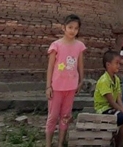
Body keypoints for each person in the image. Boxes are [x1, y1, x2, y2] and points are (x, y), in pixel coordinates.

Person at [45, 14, 87, 147]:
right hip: (56, 87)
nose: (72, 30)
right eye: (70, 27)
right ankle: (48, 144)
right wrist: (48, 87)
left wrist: (81, 80)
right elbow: (50, 67)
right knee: (52, 116)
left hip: (71, 87)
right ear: (63, 28)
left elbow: (80, 64)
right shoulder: (56, 45)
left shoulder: (79, 46)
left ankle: (60, 143)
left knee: (65, 116)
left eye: (76, 28)